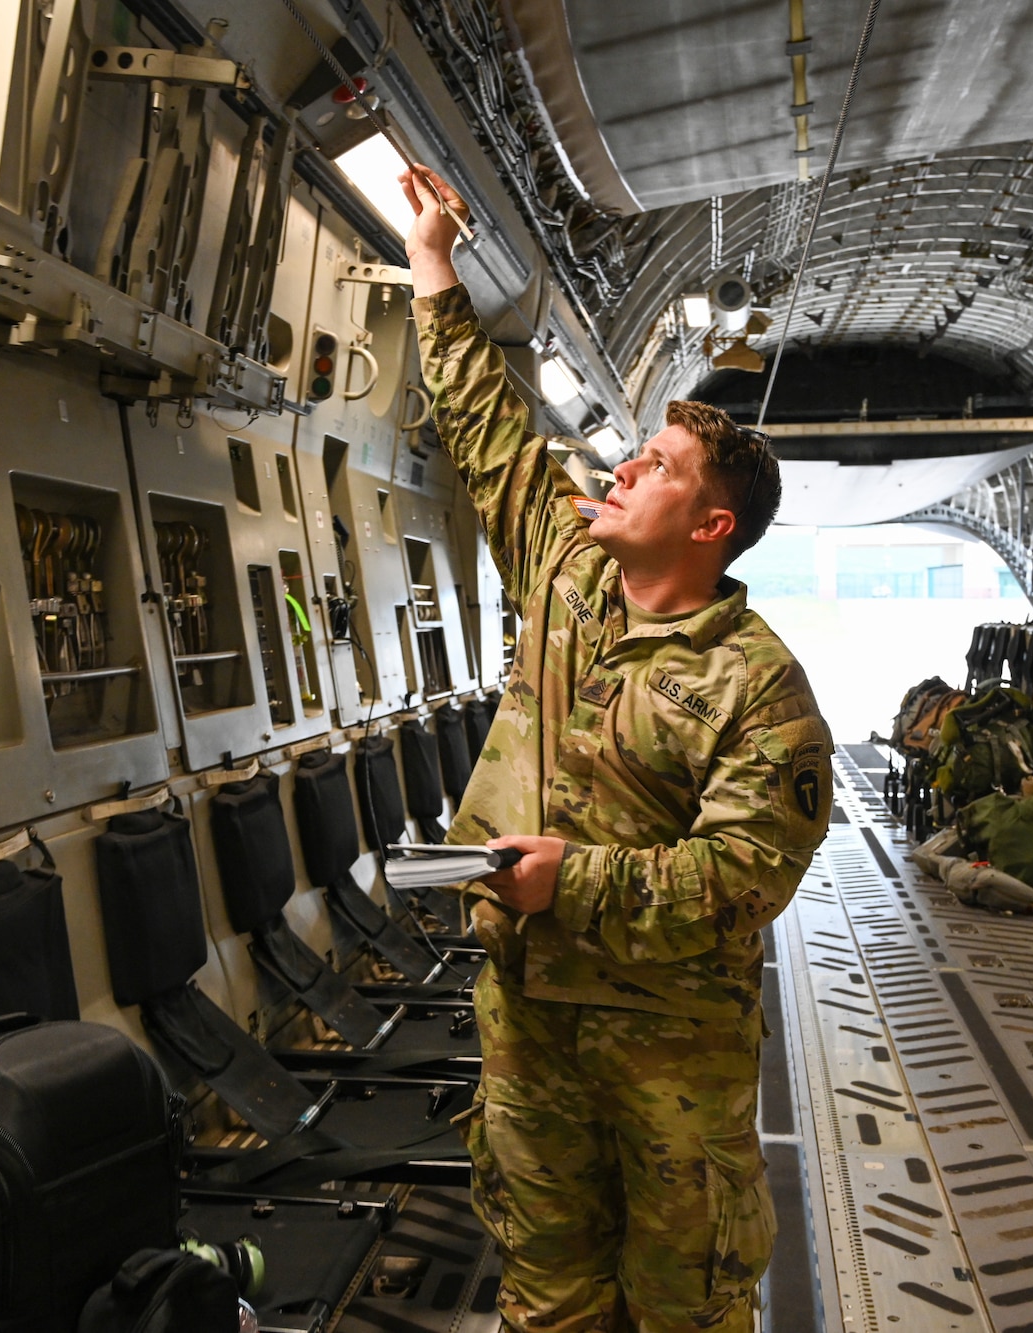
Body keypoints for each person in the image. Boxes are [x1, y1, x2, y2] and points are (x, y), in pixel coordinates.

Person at [398, 163, 833, 1333]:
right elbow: (485, 431)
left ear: (709, 526)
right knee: (545, 1296)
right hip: (528, 1023)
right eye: (631, 451)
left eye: (658, 466)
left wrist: (569, 881)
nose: (623, 465)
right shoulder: (566, 573)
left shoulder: (758, 685)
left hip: (669, 1056)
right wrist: (433, 261)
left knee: (684, 1306)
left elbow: (744, 879)